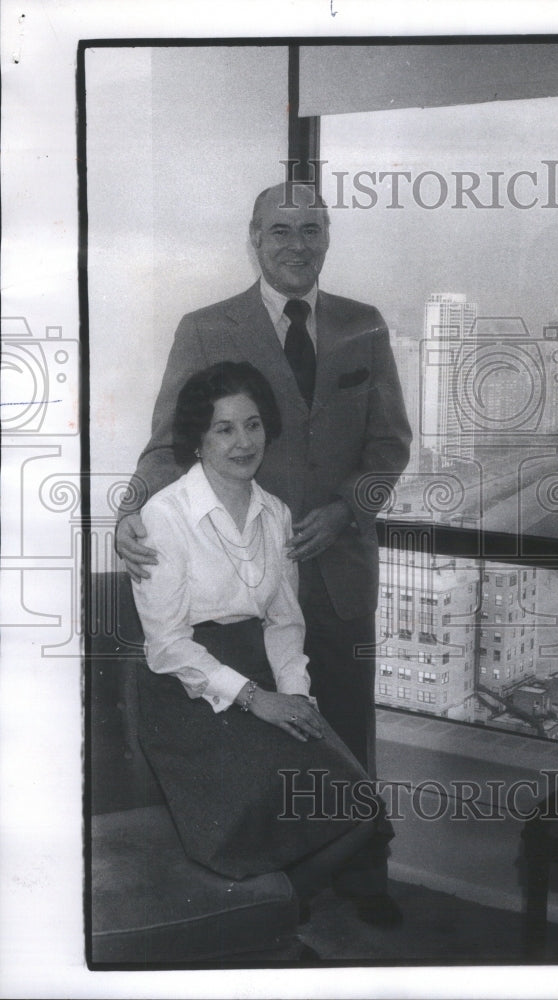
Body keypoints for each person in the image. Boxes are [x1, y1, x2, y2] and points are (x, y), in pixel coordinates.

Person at [116, 180, 411, 925]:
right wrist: (128, 511)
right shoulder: (205, 328)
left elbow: (389, 445)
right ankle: (271, 894)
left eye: (312, 230)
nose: (296, 245)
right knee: (257, 743)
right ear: (254, 239)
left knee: (341, 729)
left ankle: (361, 875)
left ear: (328, 238)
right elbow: (167, 443)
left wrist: (346, 510)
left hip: (336, 570)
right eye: (280, 230)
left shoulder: (364, 325)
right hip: (237, 570)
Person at [131, 361, 375, 881]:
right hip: (188, 690)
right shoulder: (164, 515)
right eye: (224, 429)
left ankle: (288, 907)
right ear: (198, 441)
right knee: (263, 814)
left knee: (358, 804)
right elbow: (166, 644)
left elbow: (285, 621)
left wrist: (295, 695)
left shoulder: (276, 513)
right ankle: (272, 913)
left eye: (253, 424)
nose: (243, 442)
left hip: (262, 673)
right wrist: (256, 699)